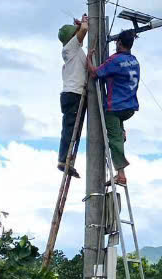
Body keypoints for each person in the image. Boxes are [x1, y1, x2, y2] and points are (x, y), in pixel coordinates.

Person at [89, 28, 140, 186]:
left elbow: (95, 73)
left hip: (115, 107)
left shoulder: (115, 60)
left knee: (115, 139)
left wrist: (88, 59)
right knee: (117, 132)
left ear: (119, 43)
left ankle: (121, 174)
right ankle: (121, 132)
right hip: (129, 107)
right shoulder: (134, 61)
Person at [57, 16, 88, 176]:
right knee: (70, 130)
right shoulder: (71, 47)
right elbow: (84, 30)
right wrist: (83, 23)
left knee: (73, 131)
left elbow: (82, 32)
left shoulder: (74, 50)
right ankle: (63, 160)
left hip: (74, 94)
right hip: (74, 94)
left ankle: (68, 160)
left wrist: (80, 26)